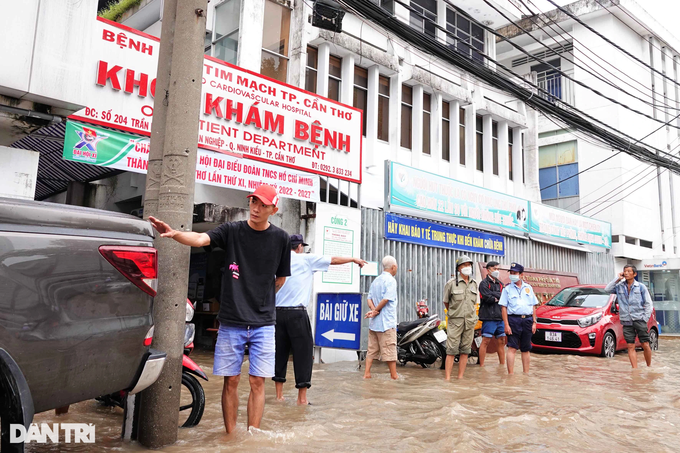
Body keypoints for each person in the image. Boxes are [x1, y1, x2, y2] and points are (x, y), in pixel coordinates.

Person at [148, 184, 291, 434]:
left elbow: (280, 279)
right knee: (231, 380)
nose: (255, 208)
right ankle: (231, 436)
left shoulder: (281, 238)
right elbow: (201, 238)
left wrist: (261, 299)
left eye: (262, 205)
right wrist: (176, 234)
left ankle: (252, 437)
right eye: (253, 202)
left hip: (264, 323)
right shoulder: (232, 230)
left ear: (273, 209)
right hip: (231, 321)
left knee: (258, 381)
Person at [274, 234, 366, 405]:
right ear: (300, 247)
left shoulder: (278, 260)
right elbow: (334, 259)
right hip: (297, 314)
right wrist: (354, 259)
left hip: (277, 314)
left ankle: (279, 396)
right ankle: (302, 399)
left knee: (279, 354)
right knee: (303, 355)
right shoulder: (306, 259)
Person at [605, 265, 654, 368]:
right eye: (625, 271)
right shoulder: (619, 286)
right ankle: (635, 370)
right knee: (630, 345)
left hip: (639, 319)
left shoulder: (641, 287)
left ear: (634, 274)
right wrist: (618, 278)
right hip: (626, 320)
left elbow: (648, 304)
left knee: (645, 344)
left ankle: (649, 367)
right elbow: (607, 289)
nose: (626, 273)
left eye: (628, 271)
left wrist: (645, 318)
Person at [443, 255, 479, 380]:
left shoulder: (474, 284)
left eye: (469, 265)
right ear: (458, 269)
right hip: (455, 321)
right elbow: (446, 302)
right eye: (464, 265)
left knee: (465, 350)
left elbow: (474, 303)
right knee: (451, 350)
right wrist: (455, 313)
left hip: (469, 322)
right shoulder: (451, 284)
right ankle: (447, 378)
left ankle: (460, 378)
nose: (467, 267)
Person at [499, 262, 538, 375]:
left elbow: (533, 305)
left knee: (526, 349)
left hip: (527, 320)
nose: (512, 275)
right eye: (511, 273)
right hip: (513, 320)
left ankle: (526, 374)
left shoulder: (528, 288)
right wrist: (506, 324)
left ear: (521, 275)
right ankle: (510, 375)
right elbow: (504, 308)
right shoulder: (507, 289)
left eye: (515, 273)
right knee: (512, 347)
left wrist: (534, 322)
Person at [364, 256, 399, 380]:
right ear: (393, 267)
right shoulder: (391, 281)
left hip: (374, 324)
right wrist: (376, 311)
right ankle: (394, 377)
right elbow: (386, 299)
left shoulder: (376, 280)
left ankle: (366, 374)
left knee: (371, 351)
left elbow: (369, 298)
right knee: (390, 352)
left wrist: (373, 311)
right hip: (386, 323)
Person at [478, 261, 506, 367]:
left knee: (502, 341)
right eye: (494, 269)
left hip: (500, 316)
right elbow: (488, 298)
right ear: (488, 269)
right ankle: (481, 367)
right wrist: (497, 296)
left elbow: (503, 296)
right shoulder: (483, 284)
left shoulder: (500, 283)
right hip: (488, 316)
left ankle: (502, 365)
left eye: (498, 269)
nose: (497, 271)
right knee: (486, 341)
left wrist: (495, 296)